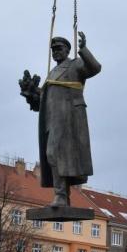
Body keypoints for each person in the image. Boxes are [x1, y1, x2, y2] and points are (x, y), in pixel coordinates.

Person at [19, 32, 101, 206]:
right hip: (51, 121)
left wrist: (83, 49)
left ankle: (61, 196)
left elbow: (95, 68)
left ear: (67, 50)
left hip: (68, 119)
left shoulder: (75, 65)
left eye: (59, 48)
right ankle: (62, 196)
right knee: (54, 156)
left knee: (56, 154)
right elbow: (44, 101)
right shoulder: (52, 72)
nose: (55, 52)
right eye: (53, 49)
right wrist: (31, 95)